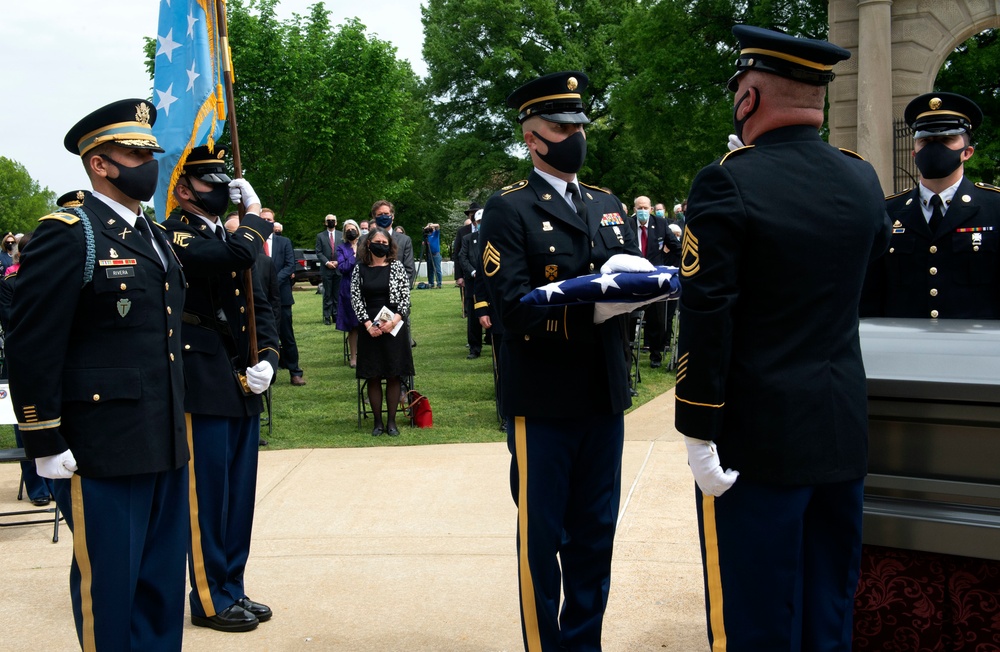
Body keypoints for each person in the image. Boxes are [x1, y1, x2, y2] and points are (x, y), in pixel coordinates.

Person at [673, 26, 891, 651]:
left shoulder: (726, 182)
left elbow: (707, 315)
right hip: (841, 430)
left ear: (749, 97)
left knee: (758, 619)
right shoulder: (862, 181)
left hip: (757, 445)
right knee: (828, 611)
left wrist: (698, 425)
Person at [7, 98, 189, 650]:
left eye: (148, 152)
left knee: (161, 589)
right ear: (99, 164)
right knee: (110, 588)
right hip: (101, 445)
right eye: (132, 153)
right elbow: (32, 342)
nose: (147, 163)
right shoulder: (71, 232)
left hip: (162, 439)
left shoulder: (155, 237)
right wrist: (42, 436)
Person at [478, 71, 644, 651]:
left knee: (596, 534)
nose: (574, 135)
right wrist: (588, 311)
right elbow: (510, 309)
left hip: (603, 391)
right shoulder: (510, 210)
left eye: (578, 124)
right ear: (532, 138)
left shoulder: (607, 203)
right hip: (542, 396)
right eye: (560, 126)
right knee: (542, 535)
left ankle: (583, 642)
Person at [163, 146, 279, 633]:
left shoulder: (223, 234)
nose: (219, 190)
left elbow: (258, 304)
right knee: (207, 497)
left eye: (223, 181)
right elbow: (232, 255)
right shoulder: (174, 235)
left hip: (240, 380)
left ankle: (232, 584)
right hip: (202, 380)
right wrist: (253, 216)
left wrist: (270, 359)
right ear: (186, 189)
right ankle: (208, 597)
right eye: (209, 183)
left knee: (238, 497)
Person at [860, 92, 1000, 319]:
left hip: (976, 349)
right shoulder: (888, 212)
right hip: (905, 347)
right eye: (925, 140)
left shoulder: (994, 209)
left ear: (967, 152)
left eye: (946, 140)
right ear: (914, 152)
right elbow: (870, 296)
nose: (935, 148)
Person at [0, 232, 53, 507]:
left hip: (53, 363)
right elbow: (12, 322)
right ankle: (37, 487)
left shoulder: (55, 280)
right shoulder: (10, 283)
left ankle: (55, 482)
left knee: (55, 425)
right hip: (21, 365)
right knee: (25, 427)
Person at [350, 226, 414, 436]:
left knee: (394, 374)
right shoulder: (360, 268)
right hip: (369, 326)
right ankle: (378, 422)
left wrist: (393, 322)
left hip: (394, 324)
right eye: (378, 242)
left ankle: (392, 422)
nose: (381, 245)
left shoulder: (396, 267)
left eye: (385, 243)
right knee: (374, 375)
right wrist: (368, 325)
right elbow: (356, 298)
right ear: (368, 243)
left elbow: (405, 298)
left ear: (390, 246)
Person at [630, 194, 677, 368]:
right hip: (632, 277)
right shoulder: (628, 225)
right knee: (628, 317)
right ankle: (627, 352)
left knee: (657, 319)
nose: (643, 211)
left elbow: (675, 247)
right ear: (635, 210)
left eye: (645, 208)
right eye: (639, 208)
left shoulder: (661, 224)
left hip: (654, 278)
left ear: (651, 209)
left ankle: (655, 355)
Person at [261, 207, 306, 385]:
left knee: (287, 335)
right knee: (264, 335)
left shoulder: (284, 242)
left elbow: (290, 266)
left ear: (274, 222)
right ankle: (267, 373)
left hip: (282, 296)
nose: (266, 223)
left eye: (269, 220)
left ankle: (295, 372)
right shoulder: (253, 243)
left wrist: (272, 281)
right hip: (261, 296)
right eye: (262, 219)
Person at [458, 210, 484, 359]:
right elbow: (462, 257)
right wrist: (473, 272)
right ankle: (475, 348)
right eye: (479, 222)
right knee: (474, 317)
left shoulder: (496, 238)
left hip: (491, 284)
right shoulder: (468, 239)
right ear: (475, 223)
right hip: (473, 282)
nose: (481, 224)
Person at [336, 219, 362, 367]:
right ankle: (353, 357)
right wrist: (353, 255)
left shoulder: (364, 245)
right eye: (347, 230)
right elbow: (343, 267)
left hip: (364, 285)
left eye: (353, 229)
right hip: (348, 288)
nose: (351, 232)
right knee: (353, 325)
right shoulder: (341, 248)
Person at [315, 214, 341, 325]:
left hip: (338, 268)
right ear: (325, 223)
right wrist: (327, 262)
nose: (331, 222)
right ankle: (326, 316)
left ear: (336, 222)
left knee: (337, 293)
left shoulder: (341, 235)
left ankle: (336, 315)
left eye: (333, 220)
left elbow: (344, 250)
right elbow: (319, 252)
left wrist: (338, 262)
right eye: (328, 220)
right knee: (327, 294)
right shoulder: (320, 236)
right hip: (326, 269)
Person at [422, 222, 443, 288]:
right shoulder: (427, 235)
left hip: (436, 254)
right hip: (429, 254)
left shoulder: (436, 233)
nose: (430, 229)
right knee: (430, 270)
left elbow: (438, 225)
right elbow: (424, 242)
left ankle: (439, 283)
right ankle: (431, 283)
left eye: (431, 228)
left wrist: (430, 225)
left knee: (437, 270)